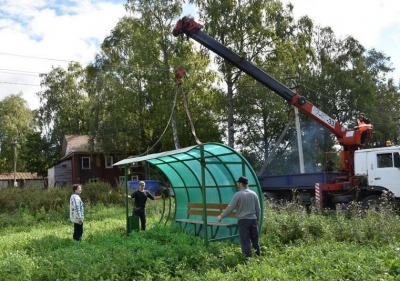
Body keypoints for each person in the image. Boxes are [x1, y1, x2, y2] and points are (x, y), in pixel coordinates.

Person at [217, 176, 261, 258]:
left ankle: (248, 259)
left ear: (241, 184)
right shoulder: (254, 194)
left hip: (243, 221)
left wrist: (221, 216)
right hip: (253, 220)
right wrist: (258, 219)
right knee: (255, 239)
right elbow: (258, 209)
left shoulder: (238, 195)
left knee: (245, 240)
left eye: (238, 183)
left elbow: (231, 207)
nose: (238, 184)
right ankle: (258, 256)